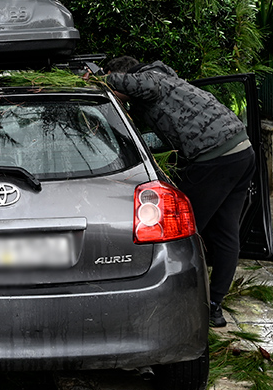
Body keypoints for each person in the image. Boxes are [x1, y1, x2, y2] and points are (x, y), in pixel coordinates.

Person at [102, 56, 256, 328]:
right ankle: (214, 307)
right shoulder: (168, 82)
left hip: (214, 157)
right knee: (224, 233)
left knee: (177, 229)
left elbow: (138, 83)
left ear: (124, 75)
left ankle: (175, 302)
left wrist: (98, 78)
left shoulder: (152, 79)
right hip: (241, 151)